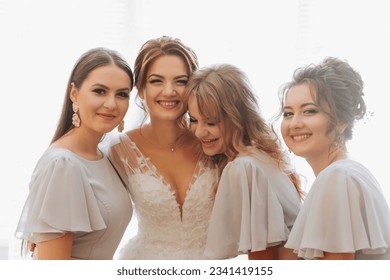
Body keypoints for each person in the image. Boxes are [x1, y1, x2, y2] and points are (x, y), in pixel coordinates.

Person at [14, 47, 134, 260]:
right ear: (74, 93)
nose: (111, 104)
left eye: (122, 94)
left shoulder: (105, 154)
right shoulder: (63, 164)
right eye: (100, 91)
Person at [108, 36, 219, 259]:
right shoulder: (119, 150)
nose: (169, 91)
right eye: (157, 81)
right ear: (140, 88)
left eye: (180, 81)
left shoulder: (213, 140)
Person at [185, 63, 302, 260]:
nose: (198, 132)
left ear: (237, 117)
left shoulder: (243, 168)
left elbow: (263, 261)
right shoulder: (264, 155)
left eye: (211, 122)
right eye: (194, 120)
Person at [280, 57, 390, 260]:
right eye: (288, 113)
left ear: (341, 121)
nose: (294, 123)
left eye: (309, 111)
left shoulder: (337, 177)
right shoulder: (351, 171)